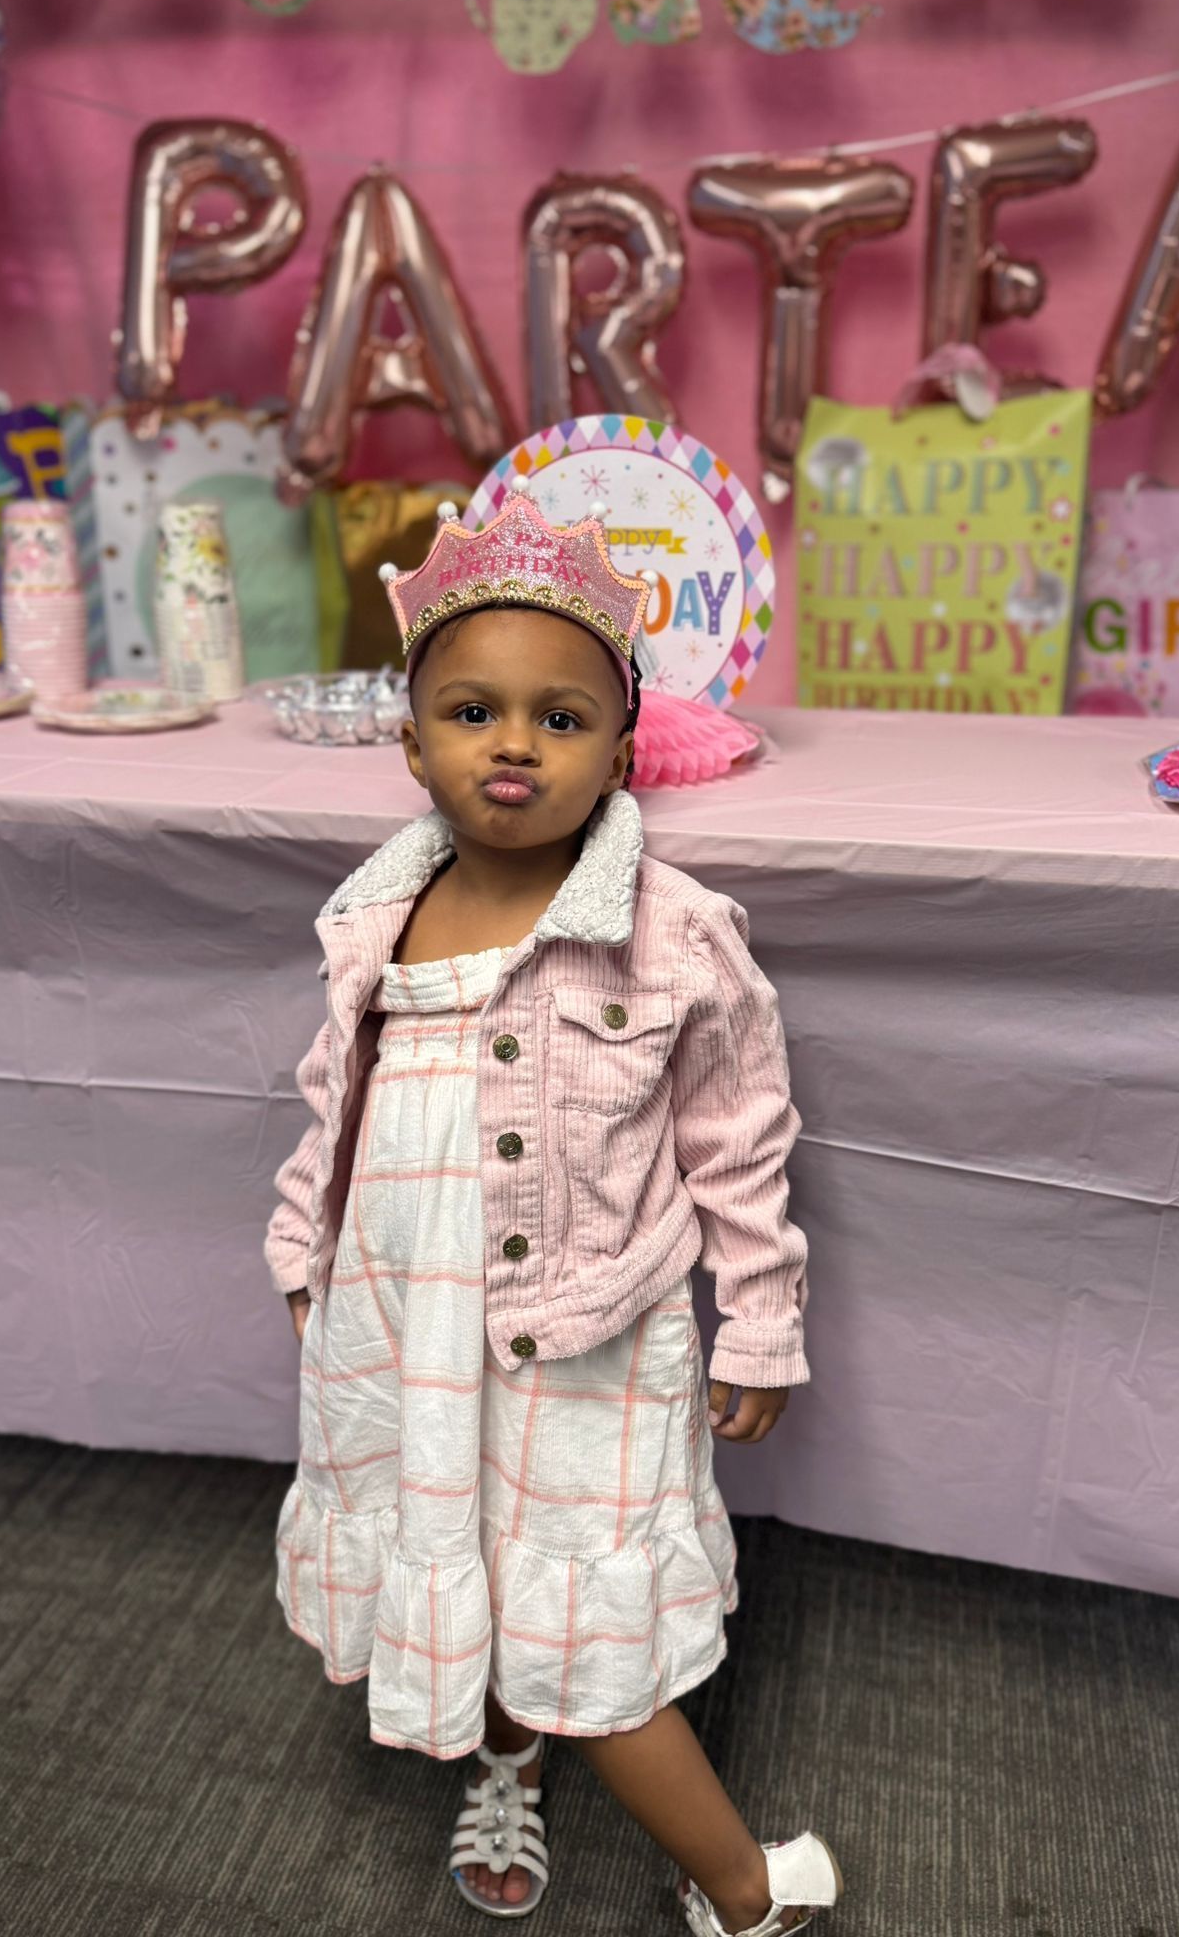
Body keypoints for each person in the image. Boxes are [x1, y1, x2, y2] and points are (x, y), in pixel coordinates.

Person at [263, 490, 842, 1936]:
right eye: (471, 709)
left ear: (620, 751)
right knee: (474, 1553)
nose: (512, 742)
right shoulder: (370, 918)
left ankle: (743, 1891)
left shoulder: (671, 935)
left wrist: (759, 1325)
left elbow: (741, 1143)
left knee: (584, 1630)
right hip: (404, 1326)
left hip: (580, 1333)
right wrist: (302, 1253)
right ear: (413, 742)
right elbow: (333, 1103)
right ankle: (506, 1754)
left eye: (560, 718)